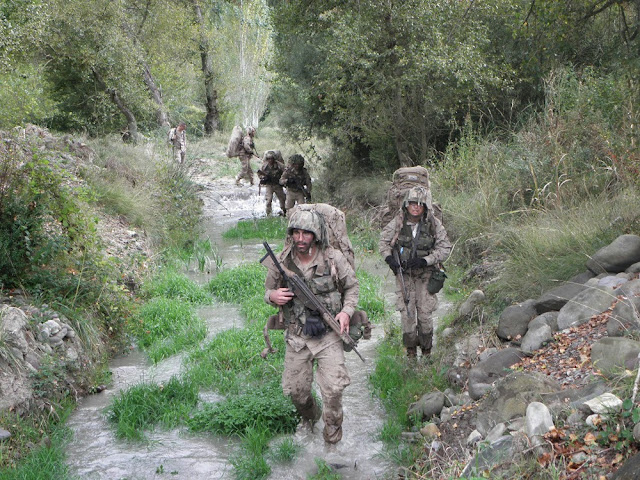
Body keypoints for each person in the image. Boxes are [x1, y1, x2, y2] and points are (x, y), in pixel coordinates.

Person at [264, 209, 359, 444]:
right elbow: (267, 291)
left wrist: (346, 313)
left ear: (315, 235)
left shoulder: (333, 258)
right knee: (296, 393)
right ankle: (310, 416)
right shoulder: (281, 261)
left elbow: (352, 288)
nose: (300, 238)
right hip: (297, 337)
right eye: (296, 232)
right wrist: (272, 296)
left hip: (328, 335)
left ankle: (332, 436)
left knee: (334, 389)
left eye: (306, 233)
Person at [379, 186, 452, 359]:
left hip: (426, 274)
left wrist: (426, 260)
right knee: (408, 318)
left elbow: (445, 248)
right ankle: (411, 354)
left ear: (425, 206)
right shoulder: (398, 222)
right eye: (412, 203)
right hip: (405, 276)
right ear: (407, 204)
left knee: (425, 317)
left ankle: (426, 353)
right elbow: (383, 243)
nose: (416, 207)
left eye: (420, 204)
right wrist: (389, 259)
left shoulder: (433, 224)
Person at [258, 150, 286, 216]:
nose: (270, 160)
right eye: (268, 159)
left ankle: (285, 212)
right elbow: (259, 173)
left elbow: (286, 172)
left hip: (277, 185)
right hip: (269, 185)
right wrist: (263, 177)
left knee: (282, 199)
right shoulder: (264, 166)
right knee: (268, 200)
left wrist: (283, 180)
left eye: (272, 159)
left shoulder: (279, 165)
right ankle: (269, 214)